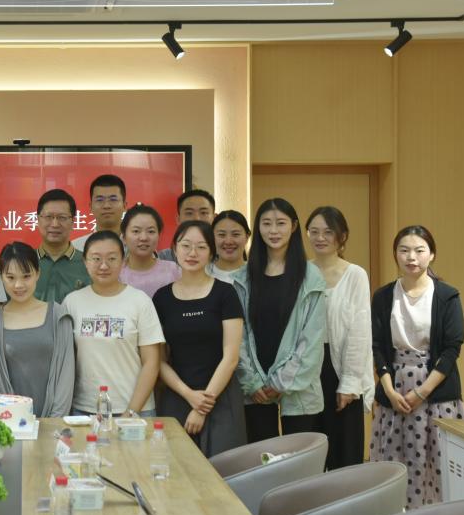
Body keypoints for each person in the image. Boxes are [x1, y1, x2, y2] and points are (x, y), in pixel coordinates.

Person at [370, 225, 464, 509]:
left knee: (437, 464)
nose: (411, 257)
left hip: (436, 391)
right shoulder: (383, 296)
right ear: (395, 255)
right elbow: (377, 346)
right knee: (394, 463)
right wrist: (389, 391)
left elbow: (451, 349)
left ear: (431, 254)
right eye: (404, 250)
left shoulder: (447, 296)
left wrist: (421, 392)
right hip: (395, 390)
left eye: (419, 250)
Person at [233, 198, 326, 442]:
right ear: (258, 228)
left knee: (299, 459)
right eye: (266, 223)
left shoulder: (311, 277)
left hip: (298, 388)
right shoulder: (242, 277)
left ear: (293, 226)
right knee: (261, 459)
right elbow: (237, 337)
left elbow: (312, 339)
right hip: (255, 388)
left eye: (281, 223)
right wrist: (252, 382)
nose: (273, 230)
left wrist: (281, 382)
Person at [154, 221, 245, 456]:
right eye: (186, 245)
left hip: (220, 396)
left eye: (201, 247)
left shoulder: (226, 293)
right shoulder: (162, 298)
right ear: (175, 249)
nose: (192, 253)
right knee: (177, 469)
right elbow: (159, 360)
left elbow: (231, 358)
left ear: (212, 253)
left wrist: (202, 406)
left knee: (223, 470)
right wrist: (188, 395)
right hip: (177, 395)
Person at [62, 231, 164, 418]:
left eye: (112, 258)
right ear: (85, 262)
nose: (103, 265)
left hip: (136, 409)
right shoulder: (72, 302)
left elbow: (151, 362)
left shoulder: (140, 301)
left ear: (123, 261)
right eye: (96, 259)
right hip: (85, 409)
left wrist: (131, 411)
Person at [306, 206, 374, 469]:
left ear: (342, 236)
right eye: (314, 231)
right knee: (310, 452)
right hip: (307, 369)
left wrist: (350, 382)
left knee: (345, 455)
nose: (320, 237)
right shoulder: (301, 272)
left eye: (328, 232)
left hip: (342, 369)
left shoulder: (355, 274)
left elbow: (360, 331)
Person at [0, 242, 75, 417]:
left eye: (26, 276)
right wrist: (10, 419)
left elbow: (66, 373)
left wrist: (54, 421)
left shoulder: (58, 315)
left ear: (38, 274)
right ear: (0, 276)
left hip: (54, 420)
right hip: (8, 421)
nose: (18, 285)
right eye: (10, 277)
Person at [33, 188, 90, 304]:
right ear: (38, 220)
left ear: (73, 221)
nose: (55, 224)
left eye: (62, 217)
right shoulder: (24, 263)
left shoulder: (89, 264)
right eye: (48, 217)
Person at [120, 204, 180, 298]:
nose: (144, 238)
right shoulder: (116, 273)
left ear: (159, 236)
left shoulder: (173, 271)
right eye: (136, 231)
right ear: (124, 237)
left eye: (151, 231)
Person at [71, 174, 126, 252]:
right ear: (90, 206)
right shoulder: (76, 248)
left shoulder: (137, 246)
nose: (106, 206)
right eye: (100, 200)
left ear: (124, 206)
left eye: (113, 199)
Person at [159, 189, 216, 262]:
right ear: (178, 219)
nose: (196, 218)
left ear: (214, 218)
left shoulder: (223, 257)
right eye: (189, 213)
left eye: (203, 213)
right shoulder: (164, 258)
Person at [208, 210, 251, 283]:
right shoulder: (202, 273)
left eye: (236, 234)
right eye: (221, 235)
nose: (228, 242)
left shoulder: (257, 274)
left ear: (247, 237)